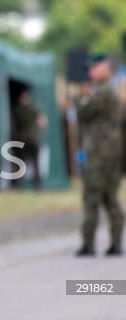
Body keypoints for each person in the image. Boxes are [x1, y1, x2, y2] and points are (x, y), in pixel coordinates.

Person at [76, 54, 124, 256]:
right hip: (112, 154)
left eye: (94, 68)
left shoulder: (103, 93)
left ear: (106, 69)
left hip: (100, 155)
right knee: (109, 198)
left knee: (92, 198)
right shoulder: (111, 93)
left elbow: (83, 113)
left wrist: (83, 96)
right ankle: (115, 243)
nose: (91, 72)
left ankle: (89, 244)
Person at [10, 88, 47, 190]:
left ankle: (15, 185)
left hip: (21, 139)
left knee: (19, 163)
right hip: (32, 139)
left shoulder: (17, 110)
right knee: (35, 163)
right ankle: (37, 184)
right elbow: (42, 123)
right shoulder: (34, 110)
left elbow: (13, 124)